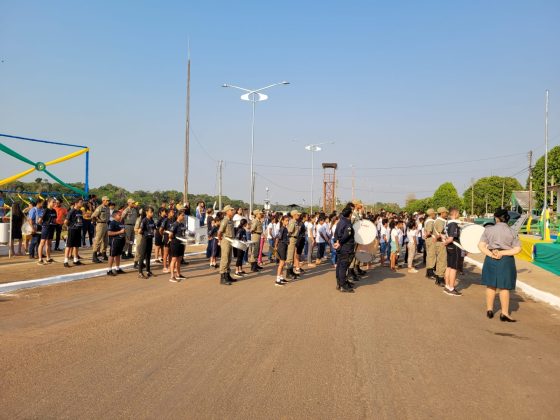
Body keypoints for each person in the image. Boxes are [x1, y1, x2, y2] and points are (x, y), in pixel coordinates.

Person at [478, 208, 522, 322]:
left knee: (490, 285)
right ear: (507, 219)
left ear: (496, 218)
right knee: (504, 287)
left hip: (491, 258)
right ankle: (504, 313)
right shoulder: (512, 231)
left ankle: (489, 310)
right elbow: (517, 249)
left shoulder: (488, 230)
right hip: (506, 260)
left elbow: (481, 246)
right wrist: (502, 253)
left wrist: (492, 254)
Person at [333, 207, 355, 293]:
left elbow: (335, 234)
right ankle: (343, 285)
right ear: (350, 214)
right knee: (343, 266)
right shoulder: (347, 223)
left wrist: (336, 241)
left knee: (339, 265)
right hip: (346, 248)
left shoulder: (340, 222)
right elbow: (346, 235)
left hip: (341, 247)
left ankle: (340, 283)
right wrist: (340, 242)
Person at [218, 205, 236, 285]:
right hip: (226, 240)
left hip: (230, 240)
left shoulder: (231, 220)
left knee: (229, 259)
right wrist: (220, 240)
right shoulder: (225, 220)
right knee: (224, 259)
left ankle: (227, 275)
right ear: (227, 212)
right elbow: (219, 232)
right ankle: (222, 277)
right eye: (231, 210)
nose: (233, 211)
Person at [63, 198, 84, 267]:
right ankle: (65, 261)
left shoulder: (80, 211)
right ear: (76, 203)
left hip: (78, 230)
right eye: (80, 202)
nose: (82, 203)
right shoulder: (72, 211)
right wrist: (70, 227)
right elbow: (65, 222)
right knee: (69, 245)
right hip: (72, 230)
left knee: (77, 245)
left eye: (82, 202)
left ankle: (75, 259)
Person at [137, 206, 156, 279]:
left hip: (150, 239)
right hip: (145, 239)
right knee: (142, 256)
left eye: (152, 212)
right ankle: (140, 272)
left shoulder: (152, 220)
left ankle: (148, 271)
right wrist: (142, 231)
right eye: (151, 212)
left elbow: (154, 228)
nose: (152, 213)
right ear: (146, 212)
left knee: (148, 255)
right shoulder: (144, 220)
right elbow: (140, 230)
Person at [37, 198, 57, 265]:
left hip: (52, 228)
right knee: (42, 243)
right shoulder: (45, 210)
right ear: (49, 202)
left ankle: (48, 258)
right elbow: (39, 220)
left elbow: (54, 219)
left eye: (55, 202)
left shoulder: (54, 211)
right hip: (46, 228)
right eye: (53, 202)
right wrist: (44, 225)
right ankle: (40, 259)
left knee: (48, 243)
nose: (54, 203)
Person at [168, 210, 187, 282]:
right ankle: (172, 276)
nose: (183, 216)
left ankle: (178, 274)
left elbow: (183, 234)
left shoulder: (182, 224)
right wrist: (173, 239)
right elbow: (170, 234)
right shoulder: (174, 224)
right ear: (178, 216)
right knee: (174, 259)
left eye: (184, 215)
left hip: (181, 243)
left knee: (179, 259)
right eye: (182, 215)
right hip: (175, 243)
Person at [91, 196, 110, 263]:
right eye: (106, 200)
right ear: (103, 201)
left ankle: (104, 254)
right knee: (98, 240)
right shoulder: (99, 208)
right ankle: (94, 255)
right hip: (100, 224)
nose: (108, 202)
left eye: (108, 200)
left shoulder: (107, 208)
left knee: (105, 240)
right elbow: (93, 216)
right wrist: (95, 222)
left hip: (106, 224)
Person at [432, 207, 448, 286]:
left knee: (439, 261)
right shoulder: (440, 221)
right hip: (441, 243)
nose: (446, 214)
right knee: (442, 261)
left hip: (438, 243)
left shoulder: (437, 220)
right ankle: (440, 279)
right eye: (445, 212)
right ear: (442, 213)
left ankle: (438, 278)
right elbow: (440, 233)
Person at [106, 211, 126, 276]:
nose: (121, 216)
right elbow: (109, 233)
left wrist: (125, 238)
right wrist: (119, 232)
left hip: (121, 240)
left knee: (118, 254)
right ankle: (109, 270)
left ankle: (117, 268)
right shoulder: (112, 223)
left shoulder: (121, 222)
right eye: (119, 215)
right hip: (114, 241)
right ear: (114, 216)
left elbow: (123, 231)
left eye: (121, 215)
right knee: (112, 255)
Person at [274, 215, 290, 286]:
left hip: (284, 245)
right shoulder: (282, 228)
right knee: (281, 263)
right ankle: (277, 280)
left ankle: (281, 278)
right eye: (286, 220)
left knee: (282, 263)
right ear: (282, 221)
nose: (287, 222)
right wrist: (275, 246)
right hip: (282, 246)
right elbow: (278, 238)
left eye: (288, 220)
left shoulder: (285, 228)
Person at [285, 210, 301, 280]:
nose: (298, 216)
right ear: (294, 215)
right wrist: (289, 240)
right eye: (297, 214)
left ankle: (291, 272)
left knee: (291, 256)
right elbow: (289, 232)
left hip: (294, 239)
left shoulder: (295, 222)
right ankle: (288, 273)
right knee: (290, 257)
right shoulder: (292, 222)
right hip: (291, 239)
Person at [424, 209, 436, 279]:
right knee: (431, 256)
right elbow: (429, 232)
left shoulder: (427, 220)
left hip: (429, 239)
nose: (435, 215)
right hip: (431, 239)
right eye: (434, 213)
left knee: (429, 256)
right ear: (431, 214)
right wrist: (426, 236)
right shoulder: (430, 221)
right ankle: (430, 273)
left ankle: (428, 272)